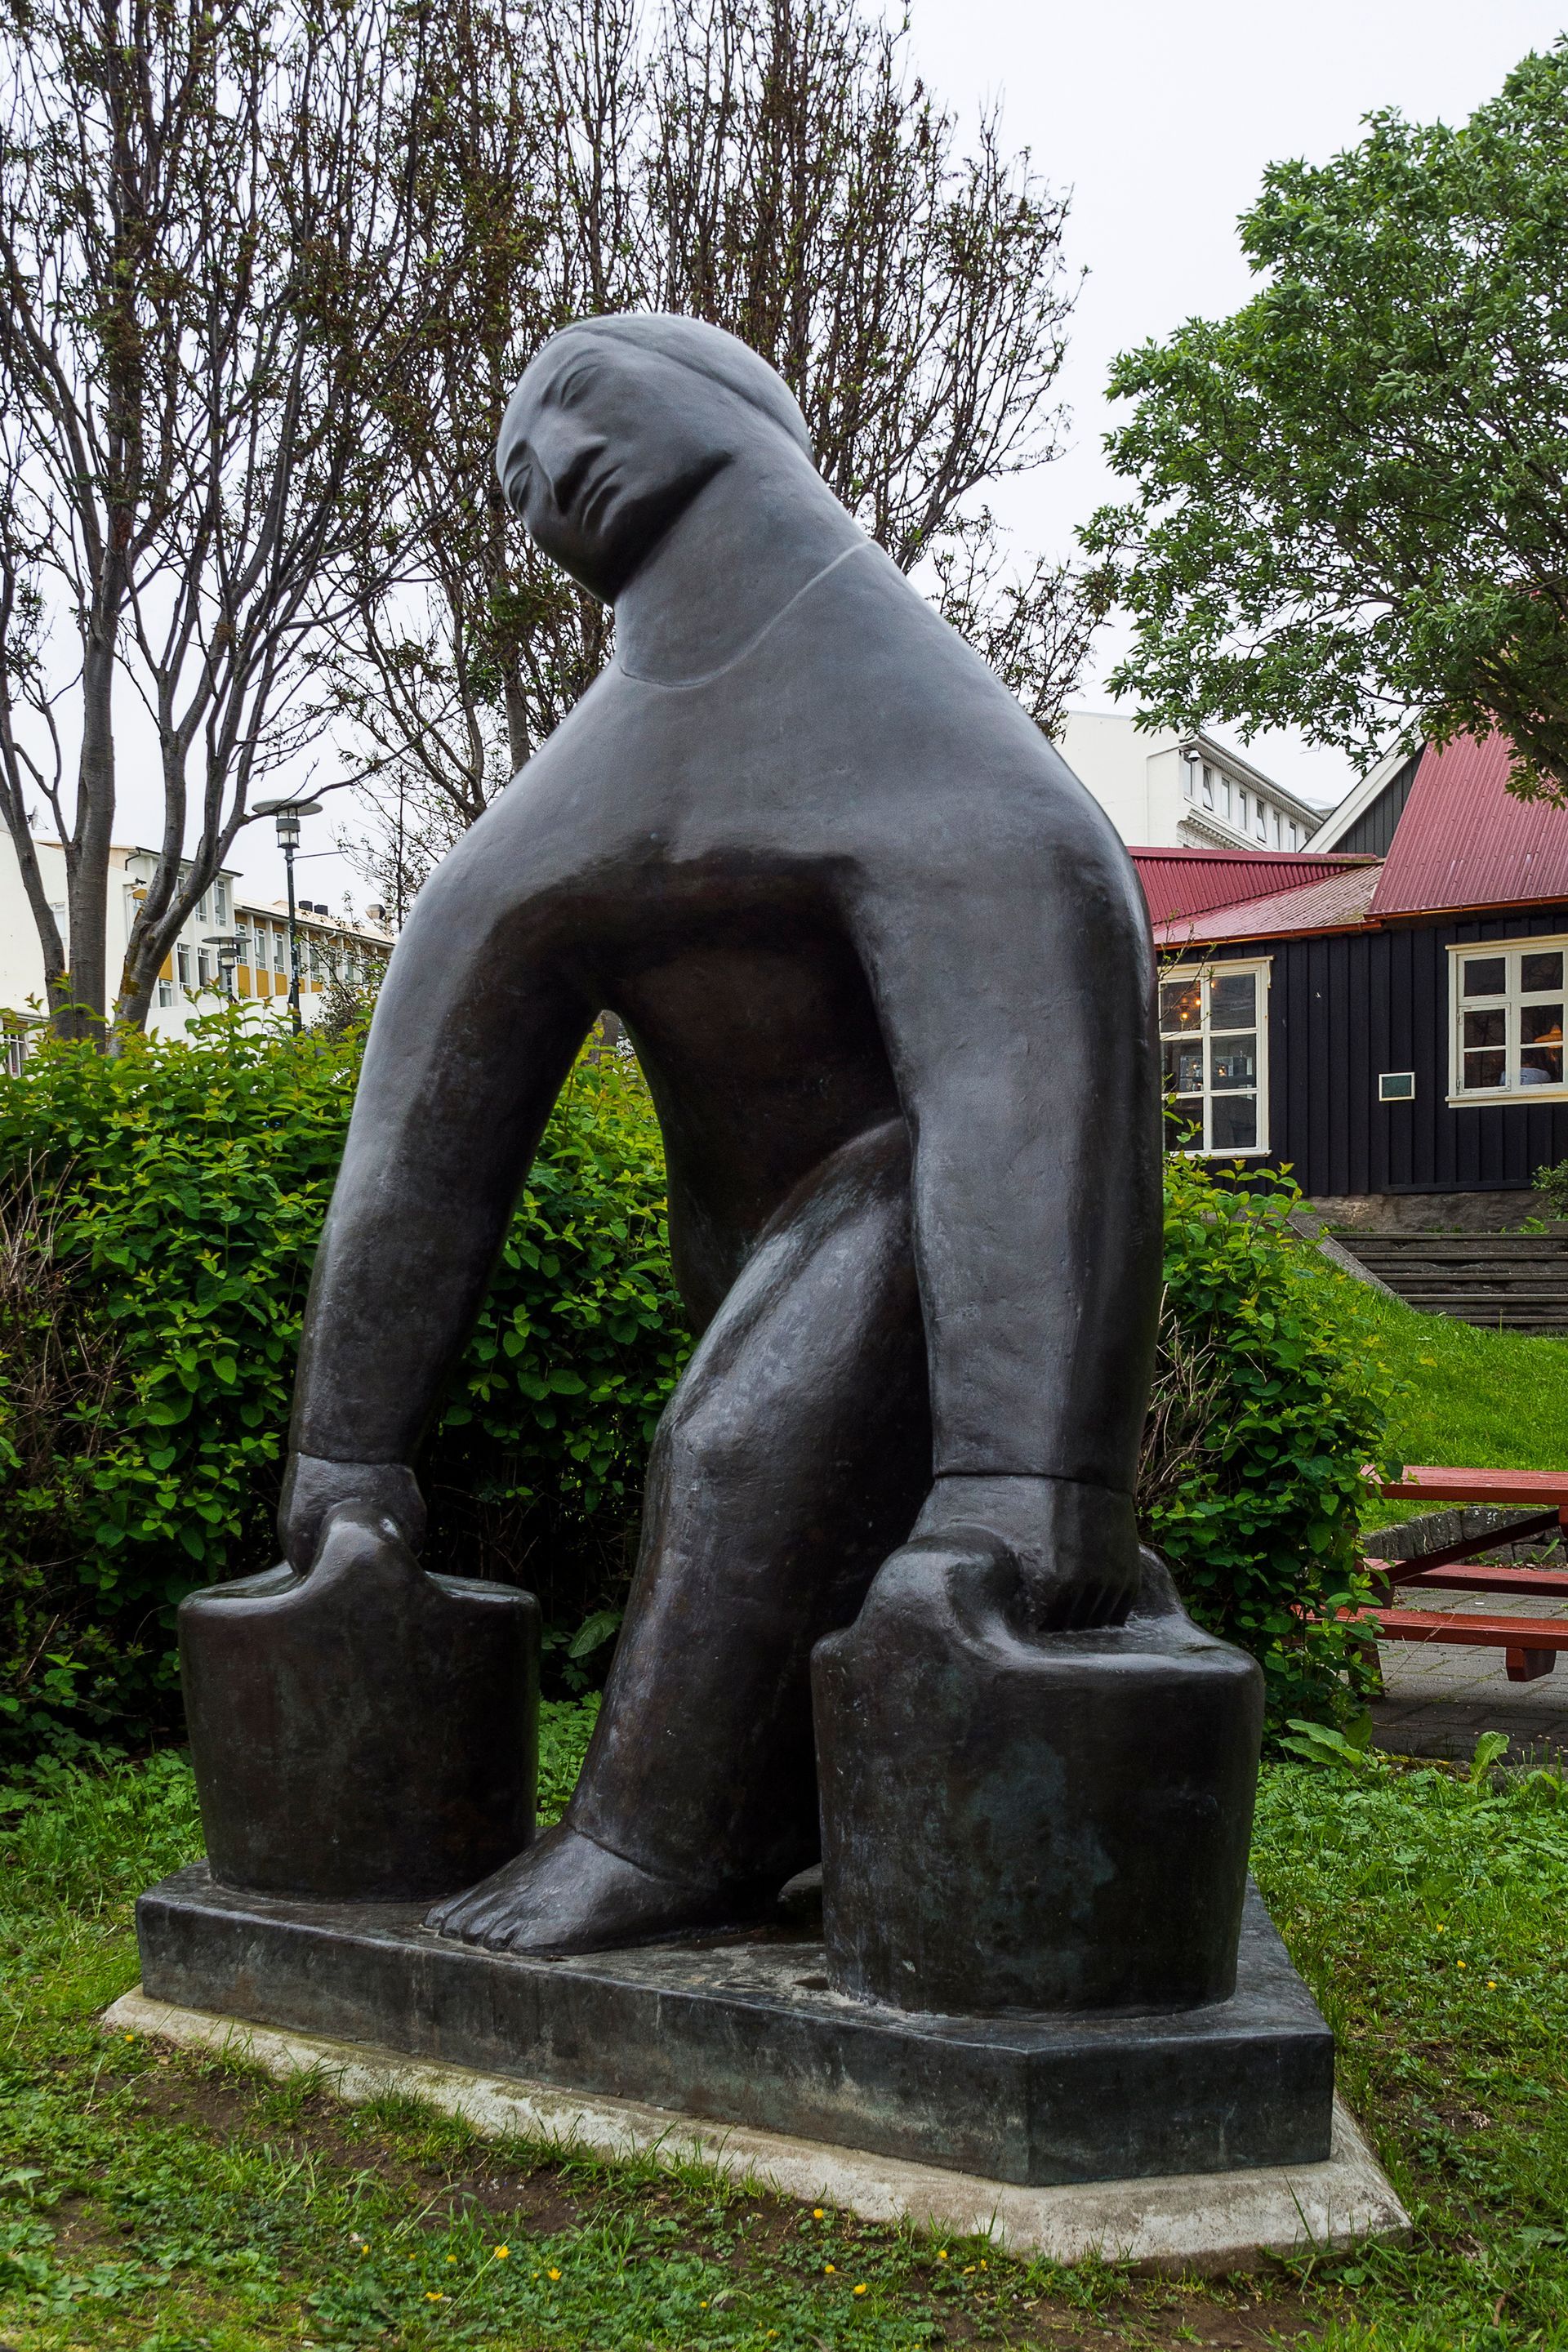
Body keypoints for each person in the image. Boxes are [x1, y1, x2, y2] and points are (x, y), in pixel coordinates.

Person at [278, 314, 1163, 1953]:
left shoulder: (918, 726)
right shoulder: (591, 784)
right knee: (772, 1459)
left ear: (730, 403)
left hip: (921, 1221)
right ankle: (796, 1819)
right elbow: (422, 1150)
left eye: (573, 395)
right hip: (766, 1265)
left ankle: (656, 1837)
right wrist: (347, 1451)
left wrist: (1033, 1475)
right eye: (510, 468)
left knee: (739, 1449)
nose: (541, 466)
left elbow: (1030, 1092)